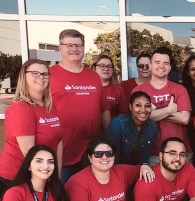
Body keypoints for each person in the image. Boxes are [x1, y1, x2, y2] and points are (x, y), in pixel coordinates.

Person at [49, 29, 110, 184]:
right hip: (62, 151)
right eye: (69, 45)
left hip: (91, 152)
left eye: (78, 45)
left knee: (89, 196)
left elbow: (103, 110)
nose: (74, 49)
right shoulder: (49, 75)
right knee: (62, 197)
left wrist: (108, 139)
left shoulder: (93, 76)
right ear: (60, 48)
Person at [0, 59, 63, 190]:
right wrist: (46, 178)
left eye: (45, 74)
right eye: (35, 73)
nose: (41, 77)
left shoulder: (50, 107)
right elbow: (29, 152)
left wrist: (58, 175)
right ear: (24, 76)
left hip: (43, 174)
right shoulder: (21, 108)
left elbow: (59, 142)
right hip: (17, 178)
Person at [133, 48, 192, 165]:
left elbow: (185, 119)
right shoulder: (138, 91)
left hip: (180, 153)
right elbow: (138, 119)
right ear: (150, 66)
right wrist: (168, 110)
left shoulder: (180, 89)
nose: (161, 66)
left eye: (166, 63)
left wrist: (151, 113)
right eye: (157, 62)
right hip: (151, 154)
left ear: (170, 68)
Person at [105, 91, 158, 165]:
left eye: (147, 106)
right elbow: (112, 157)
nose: (143, 110)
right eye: (138, 105)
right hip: (116, 169)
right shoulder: (118, 124)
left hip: (137, 170)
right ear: (130, 107)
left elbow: (144, 158)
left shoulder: (152, 126)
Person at [92, 55, 128, 123]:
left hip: (111, 131)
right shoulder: (87, 89)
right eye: (102, 66)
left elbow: (123, 117)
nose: (106, 69)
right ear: (94, 68)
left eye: (109, 66)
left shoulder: (118, 91)